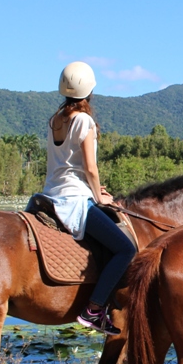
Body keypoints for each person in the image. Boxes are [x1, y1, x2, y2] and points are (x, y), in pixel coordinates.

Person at [41, 61, 137, 333]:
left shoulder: (55, 119)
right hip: (74, 200)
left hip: (50, 194)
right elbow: (90, 169)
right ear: (89, 91)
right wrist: (100, 196)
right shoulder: (84, 121)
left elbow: (67, 166)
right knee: (125, 249)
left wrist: (94, 188)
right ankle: (94, 309)